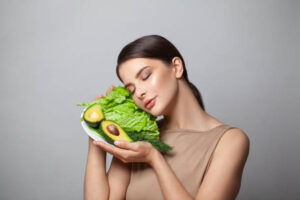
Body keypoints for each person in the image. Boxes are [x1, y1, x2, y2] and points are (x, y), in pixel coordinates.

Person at [84, 35, 250, 200]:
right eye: (131, 90)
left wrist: (154, 159)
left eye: (146, 76)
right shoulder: (139, 137)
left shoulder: (230, 141)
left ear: (176, 67)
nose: (140, 92)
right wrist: (95, 131)